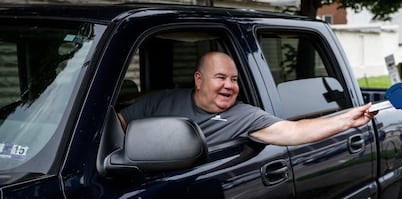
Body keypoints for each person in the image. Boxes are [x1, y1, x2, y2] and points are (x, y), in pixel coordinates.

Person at [118, 51, 375, 145]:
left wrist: (345, 121)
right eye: (221, 77)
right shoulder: (161, 101)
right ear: (198, 80)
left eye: (234, 79)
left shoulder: (241, 115)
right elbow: (118, 124)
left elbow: (293, 131)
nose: (229, 86)